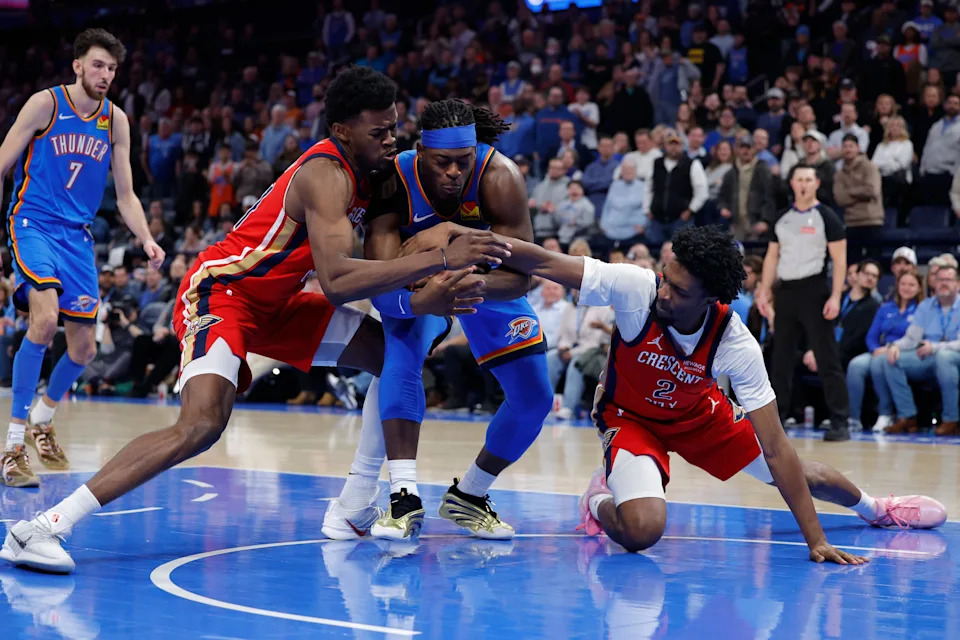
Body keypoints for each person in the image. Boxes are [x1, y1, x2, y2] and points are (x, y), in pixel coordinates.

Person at [0, 68, 510, 573]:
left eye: (393, 128)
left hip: (277, 303)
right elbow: (336, 280)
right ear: (342, 131)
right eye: (378, 131)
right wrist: (440, 259)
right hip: (222, 292)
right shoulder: (325, 174)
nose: (389, 139)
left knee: (393, 357)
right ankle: (42, 528)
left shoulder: (373, 174)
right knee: (202, 425)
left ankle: (355, 506)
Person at [492, 225, 946, 561]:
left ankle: (878, 509)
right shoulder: (637, 289)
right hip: (630, 419)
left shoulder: (735, 341)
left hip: (699, 417)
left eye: (679, 289)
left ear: (711, 299)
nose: (664, 293)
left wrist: (817, 540)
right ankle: (597, 499)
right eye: (666, 277)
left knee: (807, 477)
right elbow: (546, 262)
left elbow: (775, 446)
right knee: (642, 530)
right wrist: (483, 245)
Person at [322, 99, 553, 542]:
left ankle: (470, 494)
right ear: (420, 152)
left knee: (534, 399)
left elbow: (522, 277)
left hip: (482, 283)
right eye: (442, 162)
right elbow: (381, 281)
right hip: (416, 285)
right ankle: (403, 496)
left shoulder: (499, 176)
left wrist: (464, 277)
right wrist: (432, 281)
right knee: (399, 355)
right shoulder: (393, 178)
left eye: (462, 163)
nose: (453, 173)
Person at [0, 29, 165, 488]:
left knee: (84, 350)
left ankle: (43, 418)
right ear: (77, 65)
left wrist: (148, 238)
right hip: (32, 223)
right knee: (44, 320)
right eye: (97, 65)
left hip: (77, 237)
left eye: (112, 68)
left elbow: (127, 195)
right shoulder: (44, 105)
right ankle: (12, 448)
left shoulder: (116, 121)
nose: (105, 75)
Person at [757, 164, 851, 442]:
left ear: (817, 183)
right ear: (792, 183)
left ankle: (840, 419)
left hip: (815, 290)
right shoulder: (782, 218)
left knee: (826, 356)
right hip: (786, 291)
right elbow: (772, 257)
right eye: (799, 179)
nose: (803, 184)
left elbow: (840, 260)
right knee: (781, 358)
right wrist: (764, 290)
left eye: (808, 179)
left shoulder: (827, 217)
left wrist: (835, 296)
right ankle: (777, 420)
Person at [847, 271, 923, 432]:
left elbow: (916, 339)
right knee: (855, 365)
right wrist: (875, 349)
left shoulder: (921, 310)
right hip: (880, 349)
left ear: (918, 288)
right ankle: (853, 418)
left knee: (881, 361)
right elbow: (872, 336)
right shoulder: (886, 307)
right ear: (897, 286)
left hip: (905, 350)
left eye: (911, 285)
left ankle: (885, 413)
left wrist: (887, 349)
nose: (906, 288)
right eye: (903, 284)